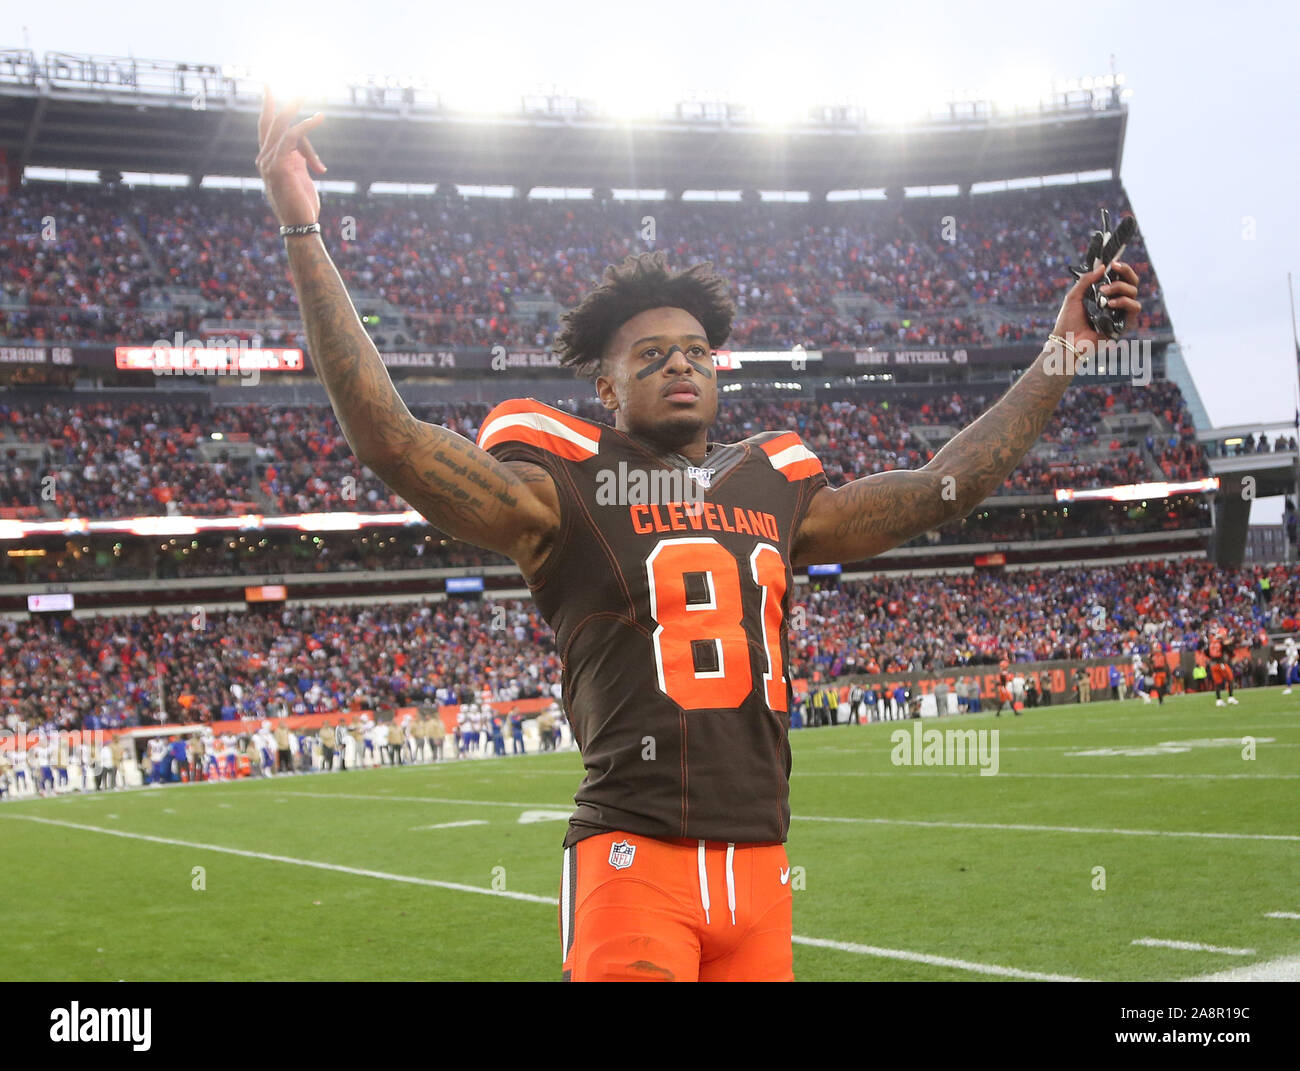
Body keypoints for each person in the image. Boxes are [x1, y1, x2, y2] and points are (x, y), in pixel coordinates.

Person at [256, 87, 1142, 981]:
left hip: (762, 867)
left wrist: (1063, 346)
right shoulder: (563, 482)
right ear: (605, 391)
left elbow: (944, 489)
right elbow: (395, 442)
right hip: (633, 861)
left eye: (697, 350)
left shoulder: (775, 485)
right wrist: (304, 234)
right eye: (650, 354)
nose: (681, 361)